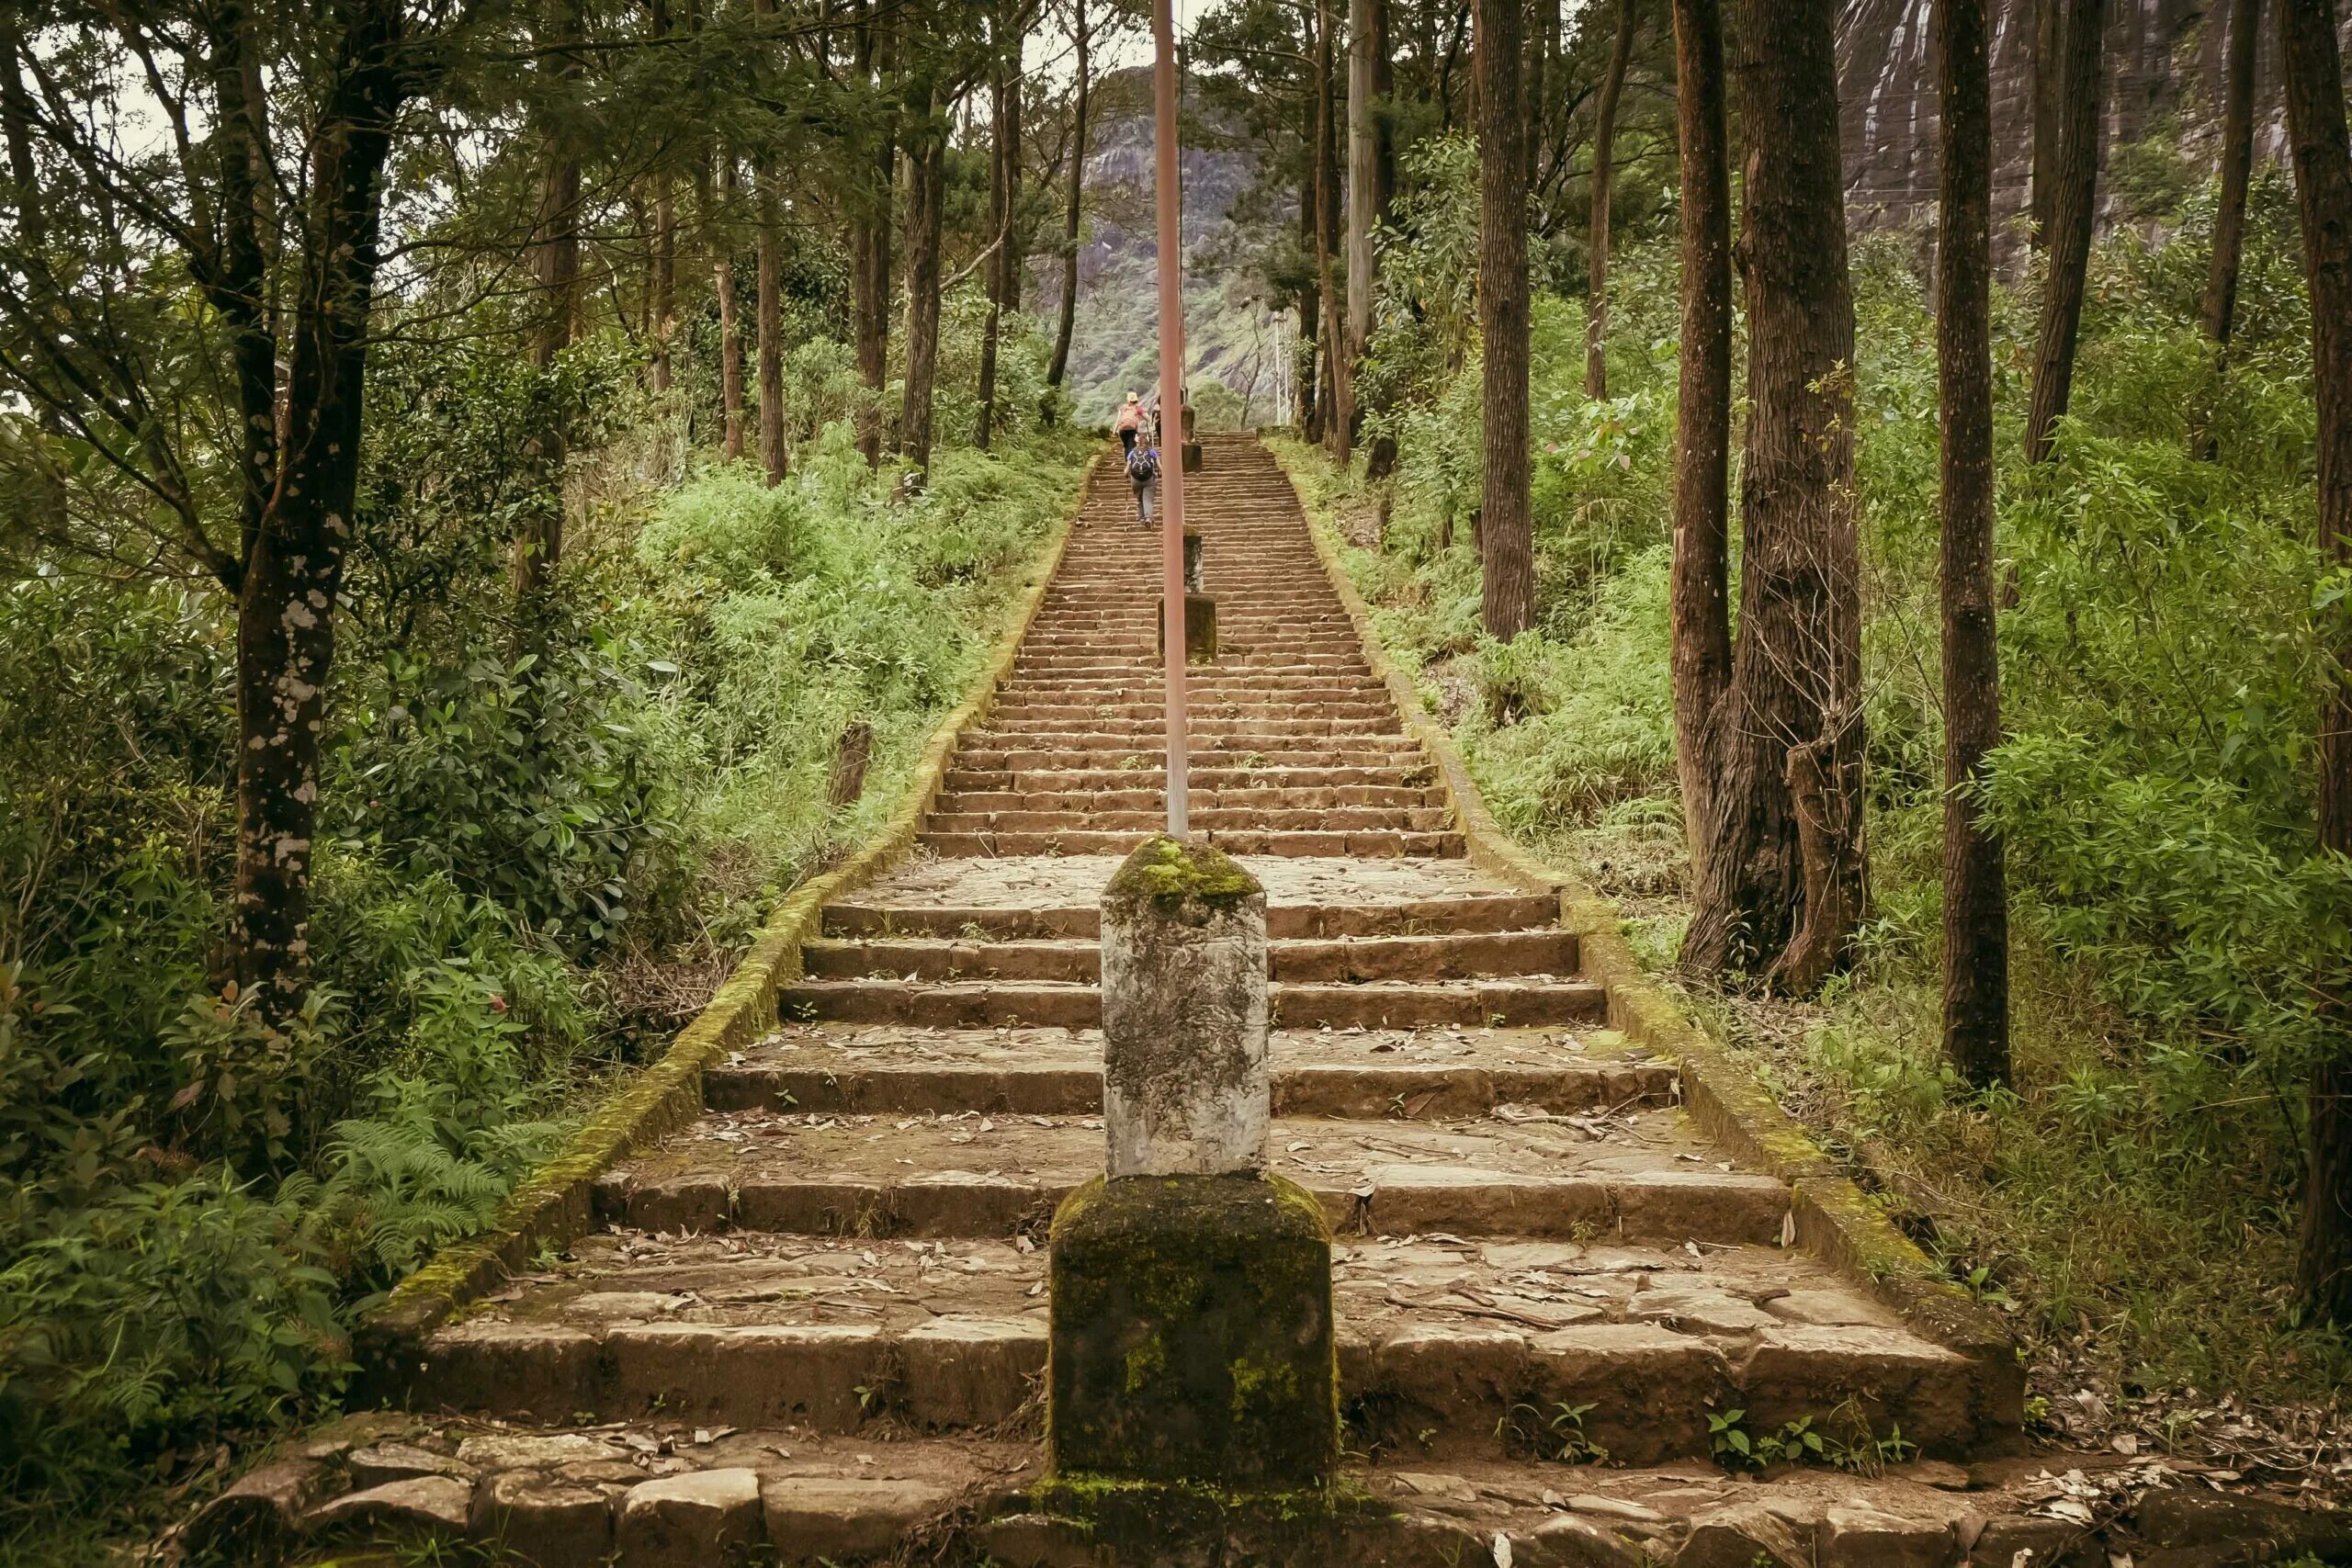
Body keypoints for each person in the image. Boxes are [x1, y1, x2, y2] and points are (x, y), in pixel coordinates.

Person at [1125, 431, 1160, 527]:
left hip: (1135, 479)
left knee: (1139, 498)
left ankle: (1141, 517)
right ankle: (1148, 518)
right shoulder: (1151, 451)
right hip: (1149, 479)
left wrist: (1126, 474)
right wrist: (1161, 473)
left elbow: (1127, 469)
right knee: (1148, 499)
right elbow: (1159, 466)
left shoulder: (1132, 452)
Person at [1114, 392, 1144, 456]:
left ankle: (1127, 462)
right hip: (1132, 429)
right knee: (1132, 445)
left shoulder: (1123, 407)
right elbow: (1146, 418)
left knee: (1126, 445)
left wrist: (1114, 430)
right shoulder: (1138, 408)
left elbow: (1118, 420)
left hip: (1122, 430)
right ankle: (1131, 461)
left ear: (1128, 400)